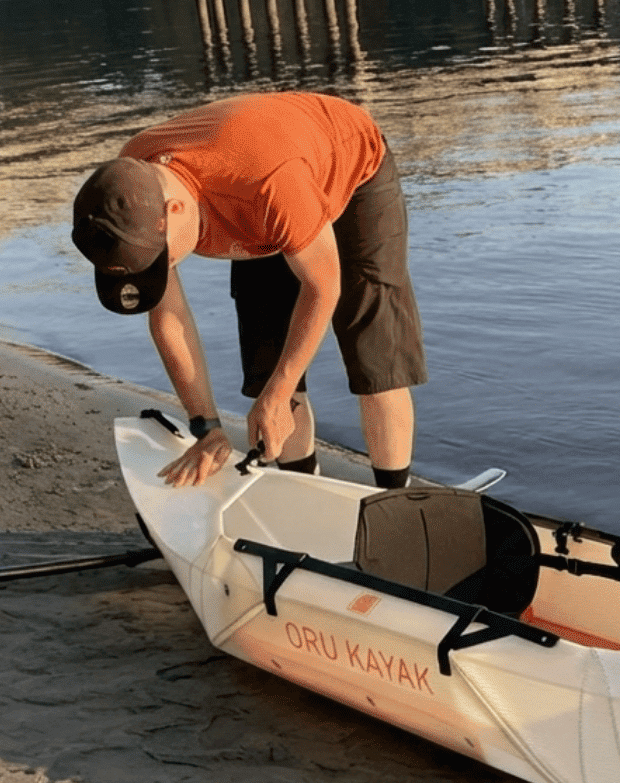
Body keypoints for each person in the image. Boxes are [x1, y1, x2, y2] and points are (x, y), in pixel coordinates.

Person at [70, 92, 426, 489]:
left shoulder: (269, 185)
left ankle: (395, 500)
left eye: (161, 259)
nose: (162, 270)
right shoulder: (130, 185)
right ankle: (303, 493)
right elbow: (168, 317)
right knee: (268, 363)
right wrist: (206, 428)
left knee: (374, 356)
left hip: (348, 166)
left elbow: (323, 287)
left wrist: (280, 392)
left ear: (174, 209)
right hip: (254, 199)